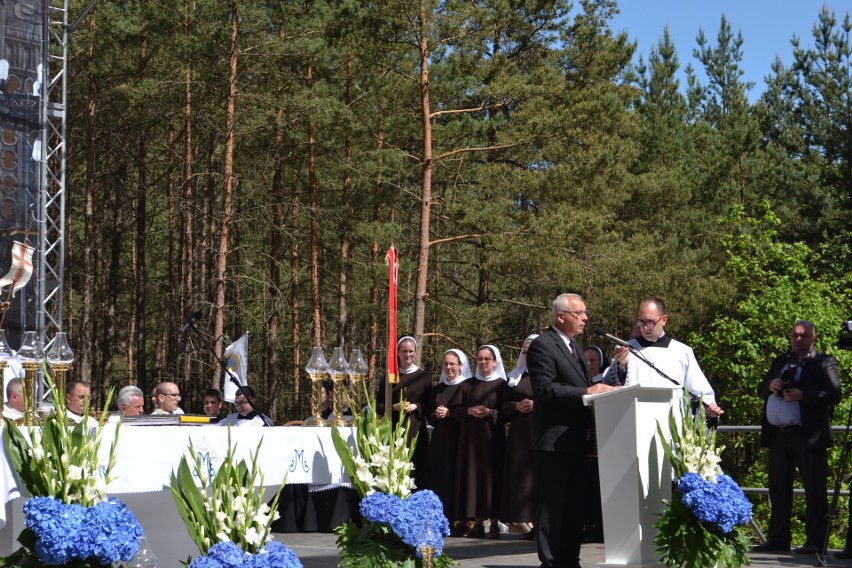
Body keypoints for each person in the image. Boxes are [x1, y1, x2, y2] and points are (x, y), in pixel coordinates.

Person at [527, 293, 617, 568]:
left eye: (584, 313)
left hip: (579, 440)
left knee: (574, 505)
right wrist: (586, 392)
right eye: (579, 314)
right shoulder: (543, 345)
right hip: (554, 440)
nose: (585, 318)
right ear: (560, 316)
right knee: (553, 504)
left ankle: (569, 557)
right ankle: (551, 560)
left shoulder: (576, 348)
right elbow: (544, 389)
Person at [755, 320, 841, 554]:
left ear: (814, 338)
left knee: (814, 490)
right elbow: (760, 389)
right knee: (778, 488)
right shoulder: (780, 361)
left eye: (803, 336)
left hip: (808, 436)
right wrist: (770, 385)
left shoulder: (824, 362)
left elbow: (835, 394)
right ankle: (778, 538)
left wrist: (804, 395)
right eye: (794, 335)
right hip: (779, 436)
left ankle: (815, 541)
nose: (797, 339)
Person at [623, 296, 723, 418]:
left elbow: (698, 391)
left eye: (650, 322)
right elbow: (612, 389)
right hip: (635, 422)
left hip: (671, 425)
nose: (645, 327)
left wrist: (708, 409)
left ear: (664, 320)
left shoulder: (681, 352)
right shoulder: (626, 350)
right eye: (641, 322)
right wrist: (620, 365)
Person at [452, 344, 507, 539]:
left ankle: (493, 523)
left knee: (491, 480)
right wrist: (468, 411)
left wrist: (490, 412)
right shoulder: (467, 385)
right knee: (474, 480)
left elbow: (508, 412)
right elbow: (455, 410)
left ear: (495, 362)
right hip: (471, 441)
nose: (483, 363)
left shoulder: (502, 385)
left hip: (493, 439)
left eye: (487, 359)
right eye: (479, 359)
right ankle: (476, 522)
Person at [424, 348, 471, 536]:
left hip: (460, 437)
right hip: (441, 439)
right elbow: (428, 414)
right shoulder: (438, 389)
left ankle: (459, 519)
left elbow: (469, 411)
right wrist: (436, 414)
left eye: (453, 364)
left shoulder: (466, 387)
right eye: (446, 364)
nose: (449, 367)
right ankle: (440, 518)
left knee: (457, 477)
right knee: (440, 477)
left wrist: (451, 413)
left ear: (461, 365)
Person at [377, 336, 433, 490]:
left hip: (415, 429)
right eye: (404, 351)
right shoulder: (389, 377)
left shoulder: (423, 377)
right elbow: (378, 404)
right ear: (398, 353)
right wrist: (393, 407)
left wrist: (416, 406)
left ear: (415, 352)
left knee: (416, 465)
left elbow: (431, 405)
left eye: (411, 351)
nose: (407, 354)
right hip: (393, 429)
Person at [501, 334, 538, 541]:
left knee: (538, 477)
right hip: (519, 434)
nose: (528, 355)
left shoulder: (547, 375)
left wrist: (536, 405)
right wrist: (516, 406)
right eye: (525, 352)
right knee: (523, 480)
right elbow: (503, 405)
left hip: (540, 432)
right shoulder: (514, 377)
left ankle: (542, 525)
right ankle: (530, 524)